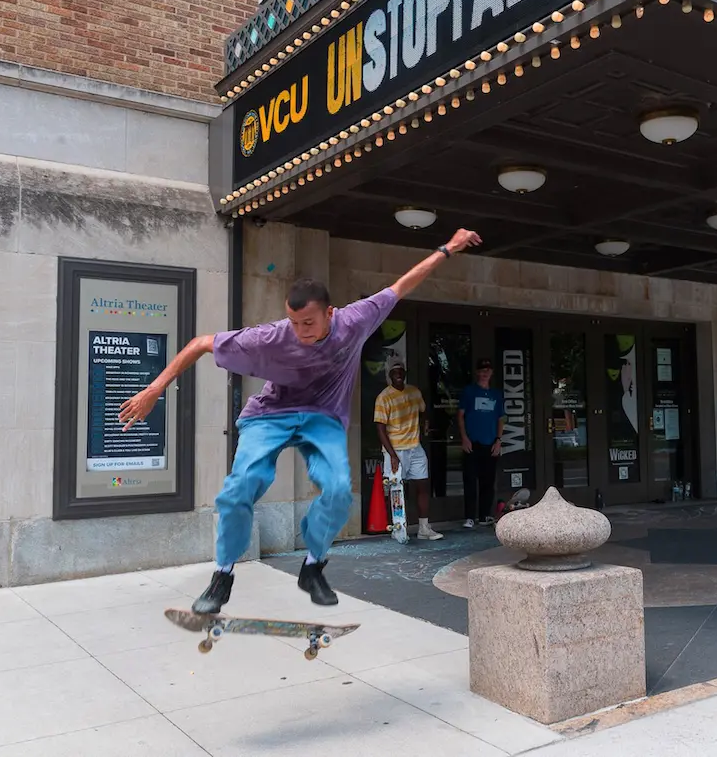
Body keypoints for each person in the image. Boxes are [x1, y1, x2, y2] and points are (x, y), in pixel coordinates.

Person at [117, 228, 482, 614]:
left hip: (322, 417)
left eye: (308, 323)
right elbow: (202, 343)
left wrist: (447, 248)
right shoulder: (271, 337)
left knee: (339, 489)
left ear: (329, 313)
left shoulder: (356, 320)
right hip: (270, 415)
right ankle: (223, 573)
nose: (300, 332)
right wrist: (155, 387)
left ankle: (313, 566)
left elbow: (401, 285)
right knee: (241, 486)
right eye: (294, 322)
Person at [374, 358, 442, 540]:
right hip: (395, 448)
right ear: (389, 376)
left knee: (422, 484)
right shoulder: (384, 397)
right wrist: (392, 455)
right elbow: (380, 428)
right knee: (396, 489)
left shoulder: (414, 392)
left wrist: (425, 422)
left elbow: (423, 410)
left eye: (400, 371)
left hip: (415, 446)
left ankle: (423, 528)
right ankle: (398, 528)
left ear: (404, 374)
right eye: (394, 372)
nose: (398, 375)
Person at [458, 358, 504, 527]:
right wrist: (464, 437)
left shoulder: (496, 395)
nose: (485, 373)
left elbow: (501, 419)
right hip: (472, 442)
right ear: (477, 372)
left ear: (491, 373)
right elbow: (460, 416)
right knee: (470, 480)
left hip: (490, 442)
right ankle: (469, 516)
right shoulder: (469, 392)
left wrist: (498, 441)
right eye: (482, 370)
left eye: (488, 370)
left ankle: (484, 515)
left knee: (488, 481)